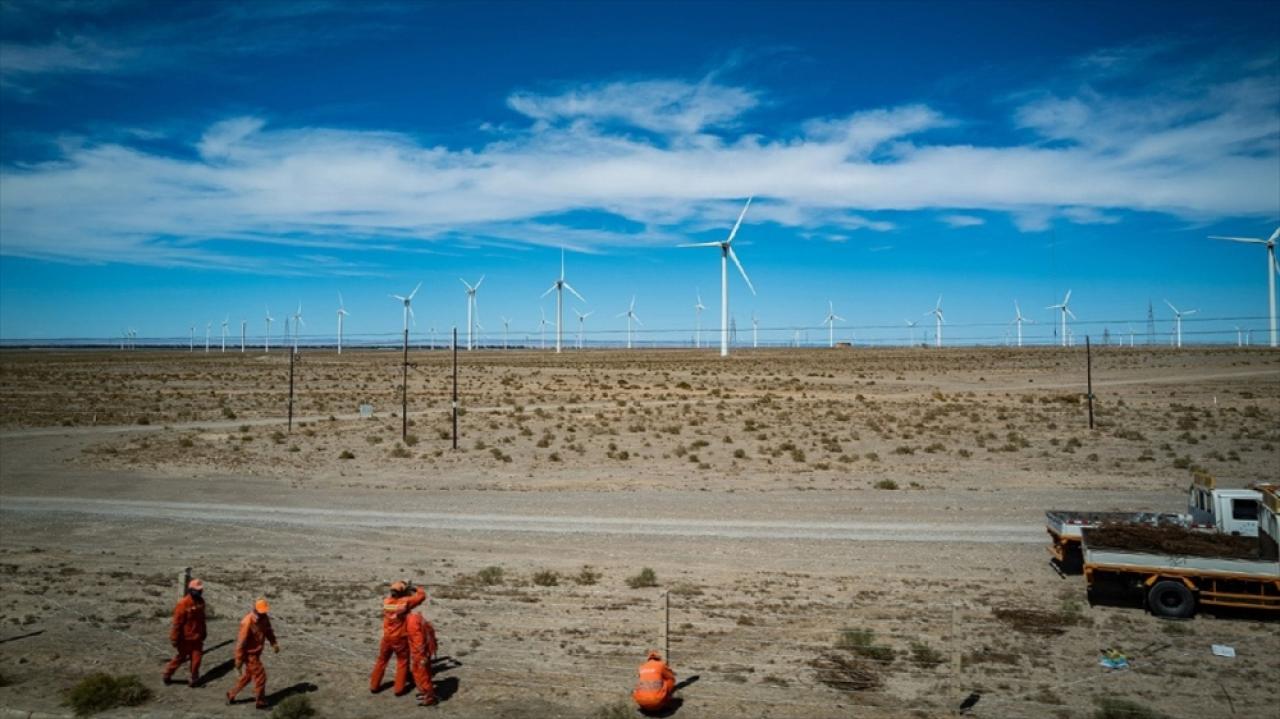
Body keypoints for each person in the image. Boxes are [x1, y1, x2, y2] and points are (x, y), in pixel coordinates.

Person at [369, 580, 426, 696]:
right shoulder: (405, 602)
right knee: (402, 662)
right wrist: (416, 589)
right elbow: (421, 597)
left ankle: (374, 686)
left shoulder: (386, 602)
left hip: (387, 637)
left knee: (381, 660)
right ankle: (399, 689)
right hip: (400, 638)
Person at [227, 598, 279, 709]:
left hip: (256, 653)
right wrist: (239, 660)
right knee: (261, 676)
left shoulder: (264, 618)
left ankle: (231, 694)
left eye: (264, 612)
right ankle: (260, 702)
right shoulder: (247, 622)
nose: (263, 614)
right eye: (261, 612)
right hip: (250, 655)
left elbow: (268, 630)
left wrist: (273, 643)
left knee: (248, 676)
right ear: (255, 609)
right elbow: (241, 643)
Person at [162, 578, 207, 687]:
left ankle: (194, 678)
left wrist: (204, 632)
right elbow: (177, 623)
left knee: (197, 660)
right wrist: (174, 638)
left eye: (200, 590)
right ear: (190, 590)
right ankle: (167, 673)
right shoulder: (183, 604)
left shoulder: (201, 602)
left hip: (197, 638)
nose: (199, 592)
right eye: (197, 590)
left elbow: (202, 619)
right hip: (185, 639)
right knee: (181, 658)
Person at [407, 610, 438, 706]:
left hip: (420, 653)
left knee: (423, 675)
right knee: (417, 672)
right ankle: (425, 692)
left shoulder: (411, 622)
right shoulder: (413, 618)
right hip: (419, 652)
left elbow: (418, 640)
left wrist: (422, 656)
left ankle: (430, 698)